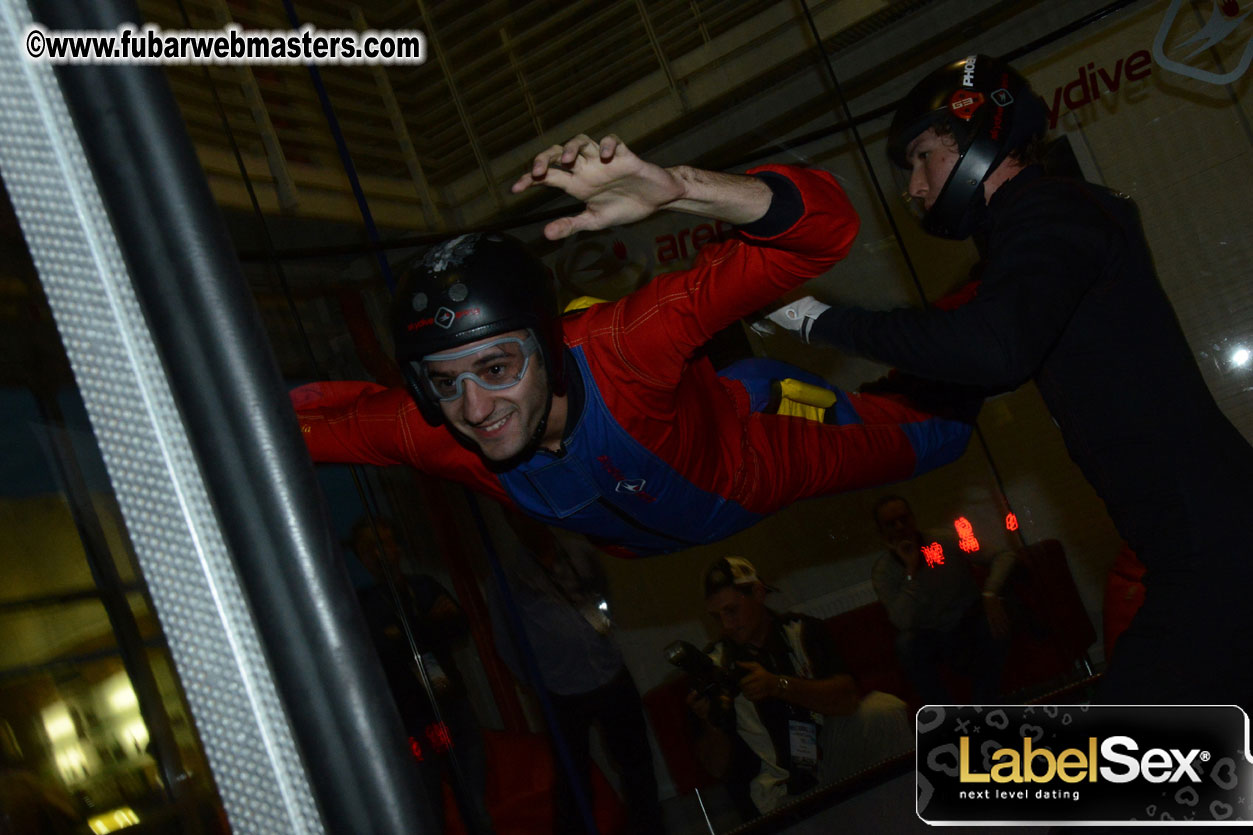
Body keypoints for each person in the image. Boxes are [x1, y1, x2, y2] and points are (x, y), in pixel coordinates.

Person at [764, 54, 1253, 708]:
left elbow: (992, 350)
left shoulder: (1052, 214)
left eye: (921, 157)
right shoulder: (1032, 239)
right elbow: (968, 359)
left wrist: (818, 321)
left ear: (977, 137)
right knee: (1186, 773)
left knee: (1108, 776)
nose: (912, 187)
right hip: (1198, 540)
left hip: (1210, 544)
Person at [291, 134, 975, 559]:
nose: (475, 407)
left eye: (495, 367)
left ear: (548, 346)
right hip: (652, 524)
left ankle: (982, 299)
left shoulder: (627, 344)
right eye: (444, 382)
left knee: (944, 433)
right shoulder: (432, 427)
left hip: (755, 451)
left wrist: (682, 188)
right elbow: (286, 428)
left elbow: (824, 231)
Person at [688, 557, 912, 817]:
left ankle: (909, 816)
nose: (726, 624)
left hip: (828, 754)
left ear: (758, 593)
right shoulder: (715, 667)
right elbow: (716, 768)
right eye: (716, 616)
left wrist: (779, 686)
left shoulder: (802, 631)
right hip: (777, 790)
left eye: (732, 610)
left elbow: (848, 699)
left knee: (884, 711)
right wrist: (710, 721)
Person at [487, 514, 664, 834]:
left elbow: (603, 596)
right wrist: (532, 681)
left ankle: (649, 830)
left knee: (636, 763)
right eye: (516, 518)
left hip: (609, 672)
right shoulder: (507, 574)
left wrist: (607, 635)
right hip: (560, 688)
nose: (525, 523)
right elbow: (504, 636)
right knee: (572, 778)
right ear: (510, 524)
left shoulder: (579, 552)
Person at [349, 517, 491, 833]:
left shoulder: (423, 585)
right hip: (410, 714)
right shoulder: (365, 604)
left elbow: (458, 625)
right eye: (369, 547)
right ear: (360, 557)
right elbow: (381, 649)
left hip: (449, 700)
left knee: (473, 802)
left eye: (384, 542)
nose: (379, 552)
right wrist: (426, 626)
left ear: (397, 547)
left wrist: (407, 633)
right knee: (427, 810)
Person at [870, 494, 1016, 704]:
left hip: (968, 620)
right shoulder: (884, 572)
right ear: (882, 531)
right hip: (932, 635)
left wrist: (990, 593)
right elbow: (901, 621)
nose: (901, 527)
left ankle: (983, 703)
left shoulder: (944, 541)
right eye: (891, 524)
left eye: (904, 519)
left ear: (913, 518)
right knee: (906, 645)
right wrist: (911, 571)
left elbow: (1003, 555)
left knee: (998, 617)